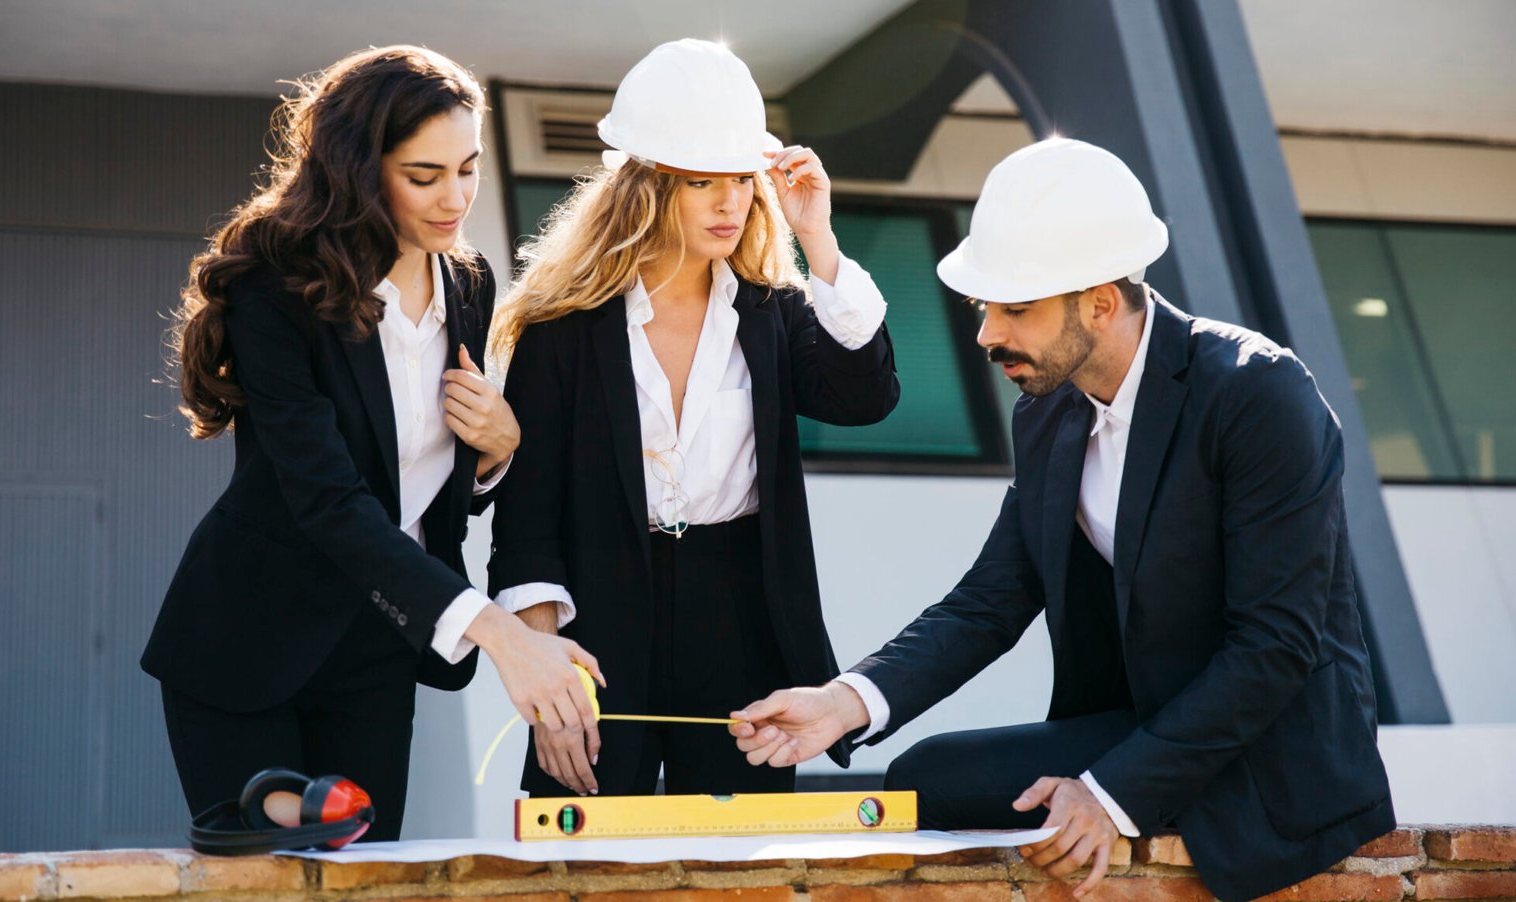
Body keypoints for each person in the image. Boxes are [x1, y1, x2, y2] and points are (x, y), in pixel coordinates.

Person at [729, 137, 1394, 902]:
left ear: (1101, 304)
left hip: (1268, 746)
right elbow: (988, 602)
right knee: (923, 778)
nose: (986, 335)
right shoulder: (1047, 414)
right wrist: (843, 702)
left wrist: (1109, 794)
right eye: (985, 308)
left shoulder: (1259, 394)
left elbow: (1275, 646)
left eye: (1015, 309)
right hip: (1141, 723)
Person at [142, 45, 603, 841]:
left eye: (469, 169)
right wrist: (500, 635)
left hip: (382, 639)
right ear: (358, 171)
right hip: (248, 640)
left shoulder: (469, 283)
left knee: (367, 870)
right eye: (425, 176)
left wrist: (496, 452)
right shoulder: (275, 288)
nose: (455, 198)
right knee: (267, 875)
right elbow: (329, 499)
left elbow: (421, 477)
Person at [486, 39, 899, 798]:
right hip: (596, 621)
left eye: (742, 180)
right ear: (645, 187)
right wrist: (545, 680)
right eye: (702, 181)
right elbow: (527, 522)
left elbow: (864, 399)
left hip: (743, 620)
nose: (730, 203)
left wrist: (819, 240)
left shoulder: (773, 312)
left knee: (735, 851)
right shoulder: (561, 329)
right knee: (587, 847)